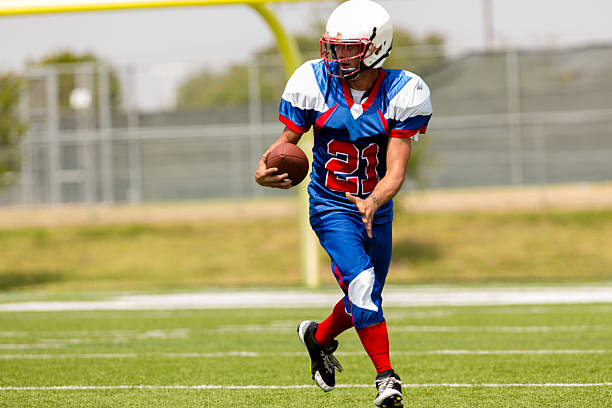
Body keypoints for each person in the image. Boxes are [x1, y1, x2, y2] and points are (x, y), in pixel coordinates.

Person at [254, 0, 432, 406]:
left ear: (375, 47)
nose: (337, 55)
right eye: (334, 46)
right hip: (330, 204)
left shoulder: (403, 90)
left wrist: (375, 200)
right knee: (363, 285)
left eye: (348, 47)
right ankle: (387, 378)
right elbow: (285, 146)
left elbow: (395, 173)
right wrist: (262, 170)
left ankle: (317, 337)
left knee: (364, 298)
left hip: (376, 206)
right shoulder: (315, 81)